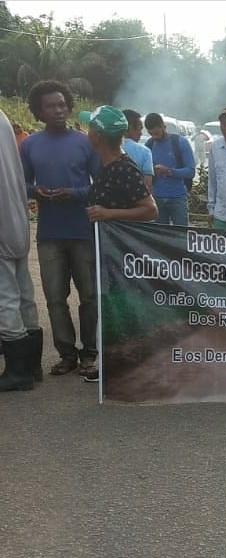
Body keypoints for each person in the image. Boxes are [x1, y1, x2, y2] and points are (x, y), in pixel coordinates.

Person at [20, 80, 101, 379]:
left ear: (69, 105)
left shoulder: (85, 143)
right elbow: (22, 184)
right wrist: (37, 191)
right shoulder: (29, 145)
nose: (58, 110)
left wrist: (76, 193)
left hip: (83, 231)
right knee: (55, 299)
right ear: (39, 112)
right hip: (49, 234)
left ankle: (90, 353)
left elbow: (99, 186)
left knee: (90, 296)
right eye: (51, 106)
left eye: (62, 104)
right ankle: (66, 354)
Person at [78, 105, 159, 382]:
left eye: (91, 128)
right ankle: (111, 360)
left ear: (98, 136)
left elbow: (150, 209)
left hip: (119, 252)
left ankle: (122, 363)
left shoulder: (123, 169)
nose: (87, 132)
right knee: (109, 305)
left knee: (118, 306)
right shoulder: (107, 165)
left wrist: (109, 214)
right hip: (107, 249)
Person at [0, 109, 42, 392]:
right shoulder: (2, 117)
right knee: (23, 291)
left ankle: (18, 372)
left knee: (5, 295)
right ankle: (31, 365)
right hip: (15, 216)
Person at [143, 112, 195, 225]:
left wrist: (169, 171)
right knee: (160, 236)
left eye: (157, 133)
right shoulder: (149, 145)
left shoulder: (180, 142)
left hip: (178, 197)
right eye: (152, 134)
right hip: (157, 198)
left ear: (163, 126)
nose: (155, 137)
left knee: (181, 235)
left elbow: (191, 171)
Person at [122, 108, 154, 194]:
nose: (141, 133)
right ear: (130, 127)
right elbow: (148, 186)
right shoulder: (145, 152)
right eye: (140, 128)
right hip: (137, 204)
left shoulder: (105, 148)